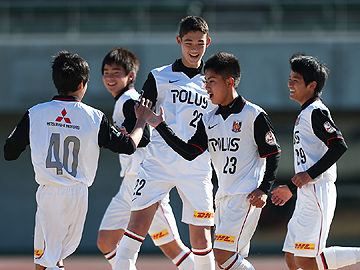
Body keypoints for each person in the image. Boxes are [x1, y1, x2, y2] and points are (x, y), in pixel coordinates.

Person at [3, 50, 152, 270]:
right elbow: (128, 146)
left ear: (56, 82)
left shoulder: (35, 113)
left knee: (45, 262)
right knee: (54, 259)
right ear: (83, 83)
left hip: (50, 193)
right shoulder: (94, 117)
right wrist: (141, 122)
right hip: (79, 195)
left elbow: (9, 152)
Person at [142, 51, 281, 270]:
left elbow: (273, 152)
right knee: (229, 260)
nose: (206, 86)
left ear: (229, 82)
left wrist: (264, 188)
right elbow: (189, 152)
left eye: (212, 81)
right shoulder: (208, 119)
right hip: (223, 197)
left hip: (245, 196)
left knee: (222, 255)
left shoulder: (253, 114)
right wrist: (160, 125)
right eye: (205, 81)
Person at [114, 16, 217, 270]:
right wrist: (128, 131)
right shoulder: (158, 76)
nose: (194, 48)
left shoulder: (213, 81)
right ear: (179, 41)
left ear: (208, 43)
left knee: (202, 239)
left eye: (200, 43)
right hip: (158, 163)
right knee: (136, 227)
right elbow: (140, 114)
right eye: (189, 42)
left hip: (197, 166)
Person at [97, 47, 194, 269]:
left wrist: (120, 137)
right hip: (129, 184)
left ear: (130, 76)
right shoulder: (123, 100)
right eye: (106, 72)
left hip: (145, 181)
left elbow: (146, 135)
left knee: (172, 248)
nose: (110, 78)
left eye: (116, 72)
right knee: (106, 241)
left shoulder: (130, 99)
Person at [271, 53, 360, 270]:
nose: (290, 83)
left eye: (296, 80)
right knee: (292, 256)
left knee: (306, 259)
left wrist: (307, 176)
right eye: (290, 78)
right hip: (305, 192)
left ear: (312, 85)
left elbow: (339, 144)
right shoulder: (305, 113)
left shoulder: (316, 111)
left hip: (317, 190)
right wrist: (293, 187)